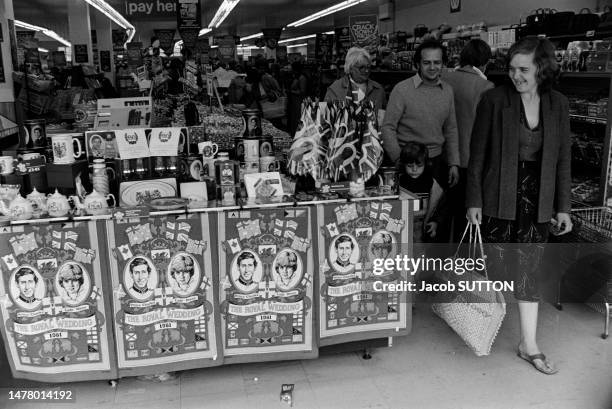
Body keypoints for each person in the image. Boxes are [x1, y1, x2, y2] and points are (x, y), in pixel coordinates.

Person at [466, 37, 572, 375]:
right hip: (499, 195)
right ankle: (479, 325)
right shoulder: (494, 100)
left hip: (537, 198)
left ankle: (529, 345)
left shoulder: (558, 104)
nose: (516, 76)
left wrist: (563, 207)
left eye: (523, 69)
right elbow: (477, 156)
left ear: (541, 68)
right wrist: (473, 201)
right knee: (493, 267)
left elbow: (563, 160)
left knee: (530, 269)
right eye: (511, 69)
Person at [382, 39, 459, 190]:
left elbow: (451, 129)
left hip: (436, 163)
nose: (432, 67)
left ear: (443, 64)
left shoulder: (448, 91)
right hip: (408, 163)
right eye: (426, 62)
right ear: (417, 64)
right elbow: (387, 127)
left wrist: (454, 163)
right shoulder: (402, 90)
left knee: (435, 210)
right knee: (407, 211)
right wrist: (399, 159)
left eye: (437, 62)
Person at [442, 39, 494, 242]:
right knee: (465, 219)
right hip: (468, 161)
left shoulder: (444, 78)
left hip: (442, 156)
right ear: (484, 62)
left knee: (441, 214)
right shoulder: (486, 87)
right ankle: (459, 266)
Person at [398, 141, 449, 242]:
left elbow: (441, 205)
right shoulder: (399, 182)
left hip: (422, 228)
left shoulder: (431, 183)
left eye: (419, 165)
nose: (414, 169)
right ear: (403, 164)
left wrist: (435, 222)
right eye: (410, 166)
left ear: (426, 164)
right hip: (401, 226)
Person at [324, 47, 386, 111]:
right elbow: (327, 116)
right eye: (362, 68)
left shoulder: (378, 90)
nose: (367, 71)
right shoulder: (335, 89)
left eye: (368, 67)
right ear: (350, 68)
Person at [288, 61, 309, 136]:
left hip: (299, 101)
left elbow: (302, 91)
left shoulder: (302, 78)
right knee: (294, 118)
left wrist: (291, 91)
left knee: (298, 118)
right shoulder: (297, 76)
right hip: (295, 101)